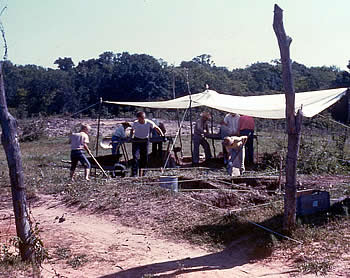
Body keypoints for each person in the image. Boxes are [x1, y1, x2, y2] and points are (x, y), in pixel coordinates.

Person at [130, 111, 164, 176]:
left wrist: (162, 136)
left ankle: (143, 173)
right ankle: (134, 174)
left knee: (144, 158)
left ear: (143, 118)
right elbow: (132, 130)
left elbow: (157, 128)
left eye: (140, 119)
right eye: (138, 119)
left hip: (145, 141)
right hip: (136, 140)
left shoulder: (149, 122)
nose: (139, 120)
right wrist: (130, 137)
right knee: (135, 157)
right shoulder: (135, 123)